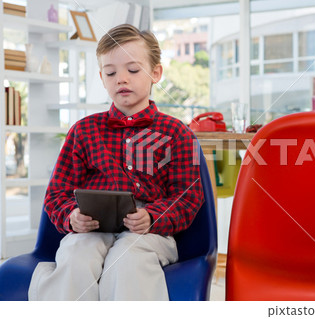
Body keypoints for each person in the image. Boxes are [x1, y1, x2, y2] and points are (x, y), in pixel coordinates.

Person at [28, 24, 204, 301]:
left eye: (133, 70)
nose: (121, 79)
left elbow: (187, 196)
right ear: (102, 77)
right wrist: (72, 215)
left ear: (155, 73)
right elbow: (57, 193)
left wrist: (153, 216)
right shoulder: (83, 131)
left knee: (128, 260)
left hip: (149, 230)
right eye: (111, 72)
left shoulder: (176, 133)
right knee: (75, 255)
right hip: (92, 227)